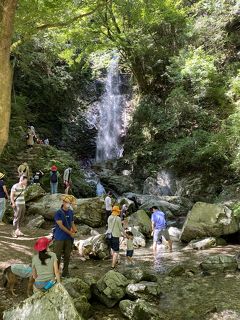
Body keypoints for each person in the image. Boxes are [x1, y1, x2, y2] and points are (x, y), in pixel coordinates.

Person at [53, 195, 77, 277]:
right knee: (57, 256)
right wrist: (70, 233)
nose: (68, 204)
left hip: (68, 238)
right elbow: (61, 226)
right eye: (67, 203)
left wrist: (75, 231)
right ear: (63, 202)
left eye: (70, 203)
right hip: (59, 237)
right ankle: (55, 273)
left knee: (67, 255)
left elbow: (72, 223)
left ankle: (65, 272)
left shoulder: (71, 212)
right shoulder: (58, 213)